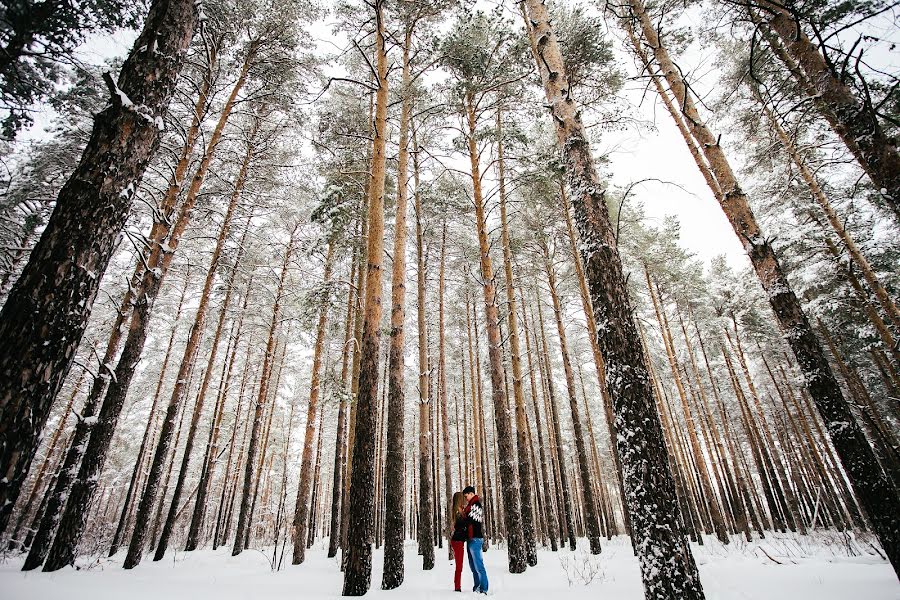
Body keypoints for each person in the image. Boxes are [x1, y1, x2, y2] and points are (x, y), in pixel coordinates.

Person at [462, 485, 488, 594]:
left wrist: (463, 514)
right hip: (470, 539)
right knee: (473, 566)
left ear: (471, 493)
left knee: (479, 565)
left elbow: (472, 521)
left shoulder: (476, 504)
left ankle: (484, 588)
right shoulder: (470, 505)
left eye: (466, 495)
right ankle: (477, 586)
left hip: (476, 539)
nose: (466, 498)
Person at [450, 491, 468, 592]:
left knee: (459, 565)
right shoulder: (458, 511)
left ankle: (457, 585)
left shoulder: (460, 510)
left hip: (458, 540)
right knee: (459, 565)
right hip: (457, 541)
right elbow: (462, 525)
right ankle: (457, 587)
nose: (464, 499)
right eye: (463, 498)